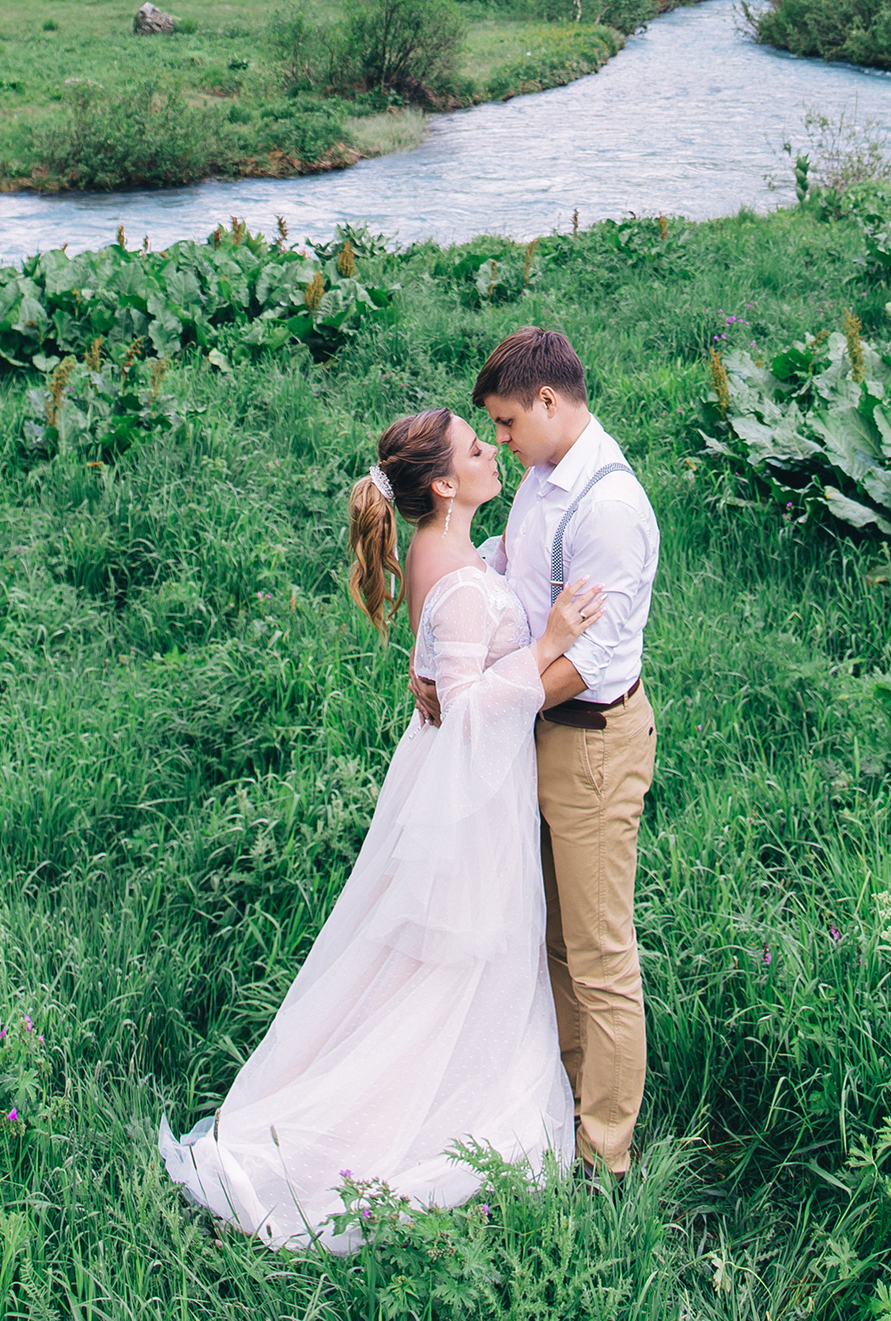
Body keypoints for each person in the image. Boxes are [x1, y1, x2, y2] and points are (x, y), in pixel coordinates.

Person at [158, 405, 604, 1252]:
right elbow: (471, 711)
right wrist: (546, 641)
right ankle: (411, 1123)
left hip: (449, 786)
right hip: (473, 794)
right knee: (466, 959)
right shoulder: (463, 584)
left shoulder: (449, 555)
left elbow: (450, 636)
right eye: (479, 448)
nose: (492, 451)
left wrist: (443, 647)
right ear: (444, 484)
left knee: (436, 960)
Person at [415, 326, 660, 1179]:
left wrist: (485, 701)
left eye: (508, 422)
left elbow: (583, 661)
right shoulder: (538, 477)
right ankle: (563, 1104)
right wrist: (444, 652)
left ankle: (607, 1157)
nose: (504, 440)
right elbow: (511, 571)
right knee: (548, 938)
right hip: (537, 737)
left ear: (549, 402)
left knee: (598, 956)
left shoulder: (609, 510)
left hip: (591, 744)